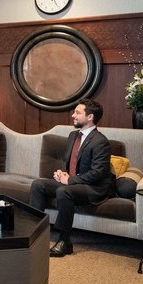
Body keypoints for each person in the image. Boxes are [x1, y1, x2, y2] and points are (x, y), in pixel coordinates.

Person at [29, 99, 115, 257]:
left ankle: (64, 241)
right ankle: (34, 233)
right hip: (72, 184)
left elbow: (98, 173)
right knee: (38, 185)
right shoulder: (73, 135)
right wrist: (61, 173)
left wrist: (69, 180)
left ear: (90, 117)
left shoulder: (100, 141)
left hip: (94, 188)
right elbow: (68, 162)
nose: (72, 115)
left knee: (63, 191)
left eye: (77, 112)